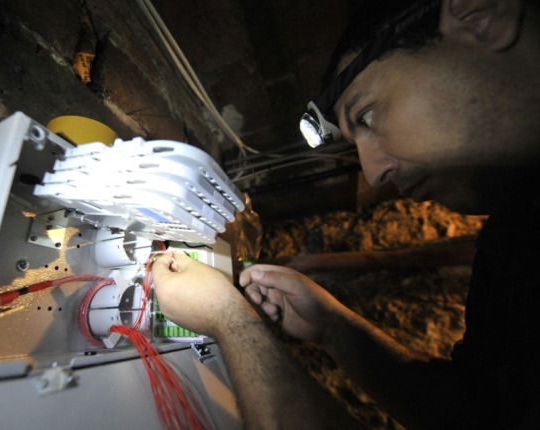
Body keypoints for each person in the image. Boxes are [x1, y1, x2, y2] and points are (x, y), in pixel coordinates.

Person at [153, 0, 540, 428]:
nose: (373, 175)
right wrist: (334, 329)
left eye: (367, 114)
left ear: (479, 14)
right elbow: (472, 411)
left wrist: (231, 321)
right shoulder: (512, 237)